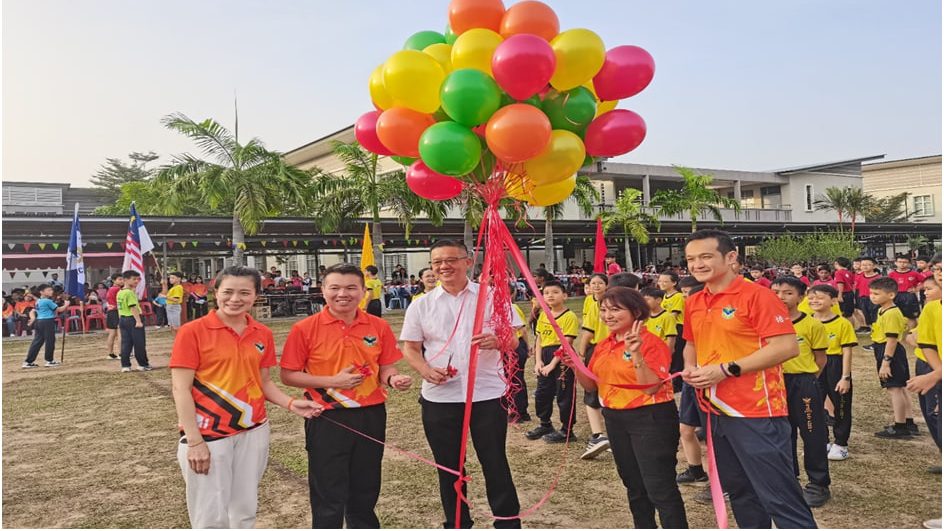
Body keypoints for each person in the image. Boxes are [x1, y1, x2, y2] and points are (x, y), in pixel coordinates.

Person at [681, 229, 816, 529]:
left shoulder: (758, 296)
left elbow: (786, 347)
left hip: (756, 412)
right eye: (691, 259)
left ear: (731, 257)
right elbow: (691, 343)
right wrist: (690, 368)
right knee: (740, 492)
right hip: (714, 409)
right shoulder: (694, 300)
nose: (697, 264)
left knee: (780, 497)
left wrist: (726, 369)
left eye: (706, 256)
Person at [170, 266, 322, 528]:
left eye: (244, 293)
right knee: (210, 515)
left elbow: (263, 382)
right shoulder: (193, 331)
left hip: (254, 430)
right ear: (216, 293)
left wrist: (290, 403)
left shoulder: (262, 333)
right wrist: (194, 441)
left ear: (255, 295)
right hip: (209, 435)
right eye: (227, 292)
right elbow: (180, 389)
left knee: (244, 509)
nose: (235, 299)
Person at [400, 239, 522, 529]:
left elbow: (515, 339)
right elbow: (411, 348)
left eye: (451, 260)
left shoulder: (492, 296)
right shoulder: (421, 305)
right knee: (449, 466)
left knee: (494, 460)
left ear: (468, 262)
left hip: (486, 394)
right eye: (437, 262)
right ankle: (457, 522)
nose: (444, 266)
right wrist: (426, 370)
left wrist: (499, 340)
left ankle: (507, 521)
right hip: (440, 396)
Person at [280, 263, 412, 528]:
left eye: (351, 288)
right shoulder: (304, 328)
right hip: (327, 416)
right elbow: (288, 375)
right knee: (328, 491)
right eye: (335, 288)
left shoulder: (378, 326)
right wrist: (333, 382)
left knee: (366, 487)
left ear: (363, 291)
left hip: (371, 415)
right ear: (323, 290)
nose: (343, 294)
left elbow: (386, 366)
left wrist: (392, 378)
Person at [567, 286, 688, 528]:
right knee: (633, 484)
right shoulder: (603, 345)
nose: (607, 316)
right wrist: (574, 365)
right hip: (615, 418)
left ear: (636, 311)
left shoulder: (652, 343)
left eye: (615, 310)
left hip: (651, 419)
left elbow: (650, 388)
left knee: (659, 487)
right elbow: (592, 386)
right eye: (603, 310)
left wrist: (636, 355)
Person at [770, 276, 831, 507]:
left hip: (804, 383)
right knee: (782, 433)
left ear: (800, 296)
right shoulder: (766, 323)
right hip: (775, 383)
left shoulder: (812, 325)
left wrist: (808, 380)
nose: (781, 297)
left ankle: (818, 483)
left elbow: (820, 359)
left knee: (812, 432)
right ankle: (789, 479)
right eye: (776, 292)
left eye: (788, 293)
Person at [807, 284, 856, 461]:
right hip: (813, 365)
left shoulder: (842, 323)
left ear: (833, 300)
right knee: (813, 405)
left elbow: (847, 352)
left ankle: (841, 443)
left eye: (820, 297)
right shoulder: (807, 321)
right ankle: (823, 441)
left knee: (841, 405)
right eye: (811, 298)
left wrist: (845, 377)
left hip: (835, 364)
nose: (815, 301)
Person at [527, 280, 579, 443]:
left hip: (562, 357)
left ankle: (567, 430)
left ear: (565, 296)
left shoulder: (569, 316)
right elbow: (539, 339)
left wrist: (553, 364)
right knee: (542, 392)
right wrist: (538, 361)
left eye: (555, 292)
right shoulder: (544, 314)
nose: (550, 296)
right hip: (546, 354)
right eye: (546, 293)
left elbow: (567, 343)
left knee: (564, 393)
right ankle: (545, 424)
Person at [869, 276, 918, 438]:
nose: (872, 296)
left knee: (894, 388)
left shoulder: (891, 313)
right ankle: (908, 421)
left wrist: (886, 362)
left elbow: (891, 340)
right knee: (900, 387)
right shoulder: (882, 310)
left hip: (890, 351)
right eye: (871, 293)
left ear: (891, 295)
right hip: (885, 349)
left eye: (876, 294)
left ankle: (900, 426)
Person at [674, 276, 708, 487]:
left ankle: (725, 483)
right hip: (692, 382)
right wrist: (689, 367)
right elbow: (690, 346)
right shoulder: (691, 324)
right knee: (686, 429)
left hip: (712, 382)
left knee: (715, 437)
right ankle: (696, 470)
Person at [575, 273, 611, 459]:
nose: (596, 286)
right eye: (593, 283)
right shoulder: (590, 301)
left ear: (607, 285)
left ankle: (599, 435)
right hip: (606, 349)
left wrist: (581, 353)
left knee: (594, 390)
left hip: (602, 349)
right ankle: (602, 434)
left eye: (600, 283)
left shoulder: (603, 305)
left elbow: (587, 332)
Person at [907, 273, 942, 453]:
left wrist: (936, 374)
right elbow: (914, 337)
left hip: (935, 368)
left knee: (935, 412)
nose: (925, 293)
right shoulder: (930, 309)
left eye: (930, 289)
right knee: (930, 411)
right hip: (926, 363)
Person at [21, 284, 70, 368]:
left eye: (51, 290)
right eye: (48, 290)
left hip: (39, 321)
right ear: (42, 292)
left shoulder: (38, 301)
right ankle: (49, 360)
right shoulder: (47, 301)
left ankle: (28, 361)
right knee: (50, 341)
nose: (51, 291)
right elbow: (59, 309)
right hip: (47, 321)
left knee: (37, 341)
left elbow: (34, 311)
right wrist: (66, 304)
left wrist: (33, 318)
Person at [657, 272, 686, 393]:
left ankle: (678, 384)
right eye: (660, 281)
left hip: (677, 327)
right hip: (667, 327)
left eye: (665, 281)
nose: (661, 283)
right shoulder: (664, 296)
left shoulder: (678, 296)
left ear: (674, 283)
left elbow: (673, 315)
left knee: (677, 355)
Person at [117, 270, 151, 372]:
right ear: (126, 280)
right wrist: (138, 321)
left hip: (123, 319)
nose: (136, 281)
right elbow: (133, 307)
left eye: (137, 279)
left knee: (126, 343)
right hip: (133, 319)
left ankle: (125, 365)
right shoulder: (129, 293)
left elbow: (119, 308)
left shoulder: (120, 292)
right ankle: (143, 364)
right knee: (139, 343)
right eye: (134, 279)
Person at [889, 255, 922, 328]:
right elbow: (887, 285)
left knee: (911, 316)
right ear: (895, 263)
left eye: (905, 262)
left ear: (909, 263)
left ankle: (911, 332)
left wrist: (916, 289)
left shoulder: (914, 273)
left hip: (909, 296)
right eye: (900, 262)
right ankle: (898, 331)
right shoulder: (891, 274)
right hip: (895, 295)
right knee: (895, 315)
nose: (902, 264)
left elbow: (924, 281)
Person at [855, 256, 882, 333]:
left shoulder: (878, 278)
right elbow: (857, 288)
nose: (865, 267)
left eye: (868, 264)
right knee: (866, 317)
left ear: (874, 266)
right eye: (863, 265)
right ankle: (872, 331)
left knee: (875, 316)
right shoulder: (859, 276)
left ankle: (878, 331)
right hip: (863, 299)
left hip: (874, 300)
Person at [104, 274, 123, 359]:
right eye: (119, 279)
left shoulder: (110, 289)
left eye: (122, 279)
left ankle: (110, 353)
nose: (122, 281)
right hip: (117, 312)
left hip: (110, 312)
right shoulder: (118, 289)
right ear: (113, 280)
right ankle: (121, 353)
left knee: (112, 334)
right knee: (120, 333)